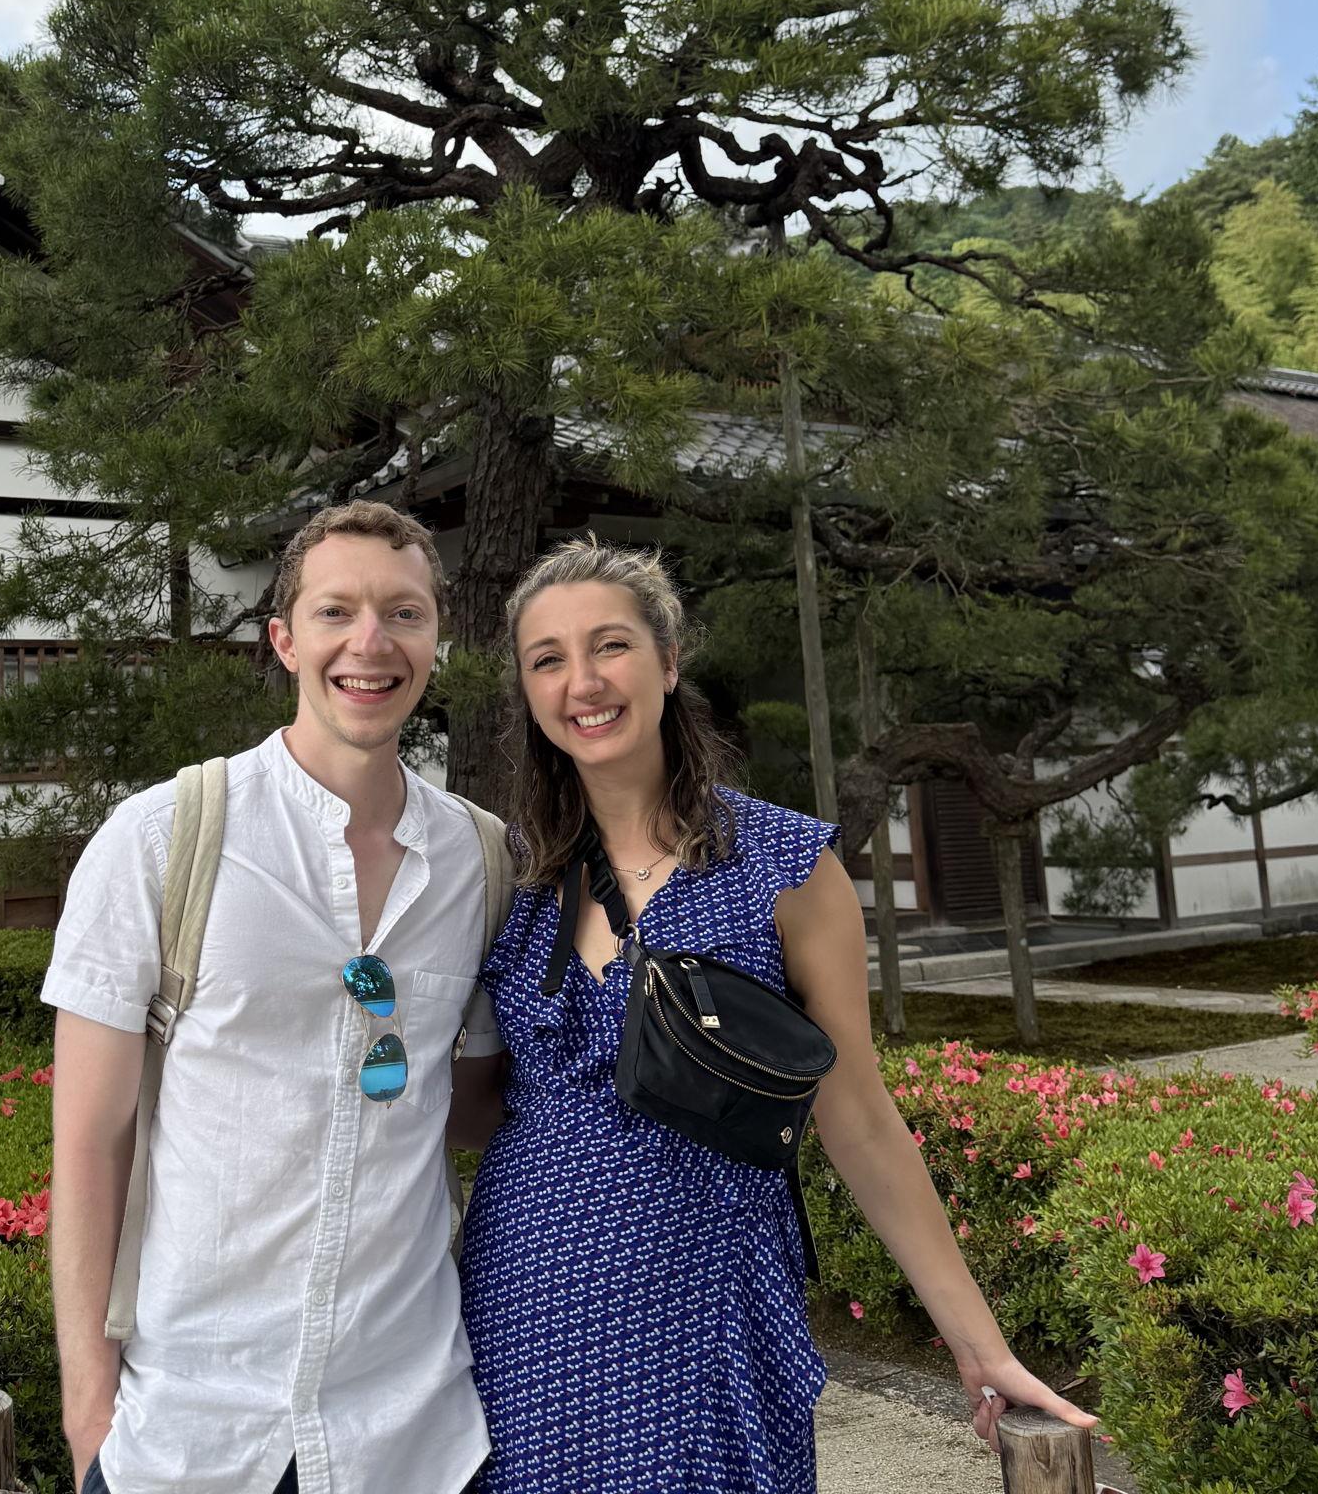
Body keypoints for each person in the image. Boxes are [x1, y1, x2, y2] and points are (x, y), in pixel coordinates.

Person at [451, 537, 1096, 1494]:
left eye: (610, 645)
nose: (582, 682)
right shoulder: (518, 874)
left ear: (670, 662)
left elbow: (859, 1116)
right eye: (549, 659)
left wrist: (979, 1344)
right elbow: (471, 1106)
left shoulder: (782, 866)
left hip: (704, 1304)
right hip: (519, 1304)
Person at [43, 500, 499, 1494]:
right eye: (336, 611)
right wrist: (89, 1419)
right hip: (191, 1434)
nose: (370, 642)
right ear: (284, 639)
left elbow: (473, 1100)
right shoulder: (161, 838)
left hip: (412, 1433)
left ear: (437, 640)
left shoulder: (480, 860)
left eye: (404, 613)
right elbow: (87, 1140)